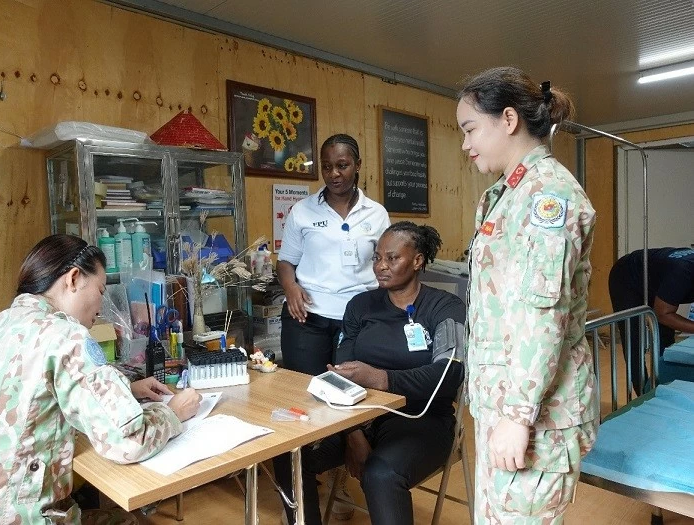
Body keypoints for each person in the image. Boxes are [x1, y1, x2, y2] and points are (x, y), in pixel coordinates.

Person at [0, 234, 201, 524]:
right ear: (72, 279)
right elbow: (128, 442)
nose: (101, 305)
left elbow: (27, 398)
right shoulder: (65, 335)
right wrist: (172, 413)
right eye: (100, 289)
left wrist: (128, 390)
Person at [457, 67, 599, 524]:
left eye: (470, 129)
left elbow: (543, 316)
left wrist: (518, 418)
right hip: (504, 405)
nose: (465, 144)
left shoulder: (548, 197)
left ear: (509, 120)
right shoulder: (504, 194)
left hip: (535, 414)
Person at [274, 222, 465, 525]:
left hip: (422, 421)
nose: (380, 266)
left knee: (381, 472)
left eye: (392, 258)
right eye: (377, 258)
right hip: (358, 417)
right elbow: (341, 375)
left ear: (417, 261)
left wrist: (381, 379)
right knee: (289, 453)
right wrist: (354, 435)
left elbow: (448, 375)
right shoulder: (361, 306)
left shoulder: (445, 307)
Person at [275, 133, 390, 519]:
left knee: (350, 394)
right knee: (304, 399)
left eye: (342, 165)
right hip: (308, 317)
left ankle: (349, 450)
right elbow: (286, 262)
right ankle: (303, 499)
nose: (334, 173)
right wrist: (290, 288)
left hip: (358, 319)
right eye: (326, 166)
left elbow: (386, 264)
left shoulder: (376, 214)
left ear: (357, 165)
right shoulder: (303, 211)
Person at [609, 247, 694, 394]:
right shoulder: (684, 271)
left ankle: (667, 389)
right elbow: (663, 314)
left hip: (657, 281)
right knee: (634, 341)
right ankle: (645, 395)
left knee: (665, 340)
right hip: (627, 277)